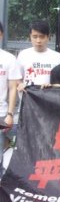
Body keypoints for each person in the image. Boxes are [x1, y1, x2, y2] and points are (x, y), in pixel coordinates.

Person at [17, 19, 60, 90]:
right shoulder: (23, 55)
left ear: (48, 37)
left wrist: (52, 85)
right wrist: (20, 84)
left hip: (50, 96)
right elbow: (17, 78)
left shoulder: (57, 57)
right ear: (30, 36)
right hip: (28, 96)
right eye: (35, 37)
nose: (38, 41)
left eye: (42, 37)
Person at [0, 21, 21, 175]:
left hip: (1, 113)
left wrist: (9, 114)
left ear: (1, 35)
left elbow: (13, 88)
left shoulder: (8, 59)